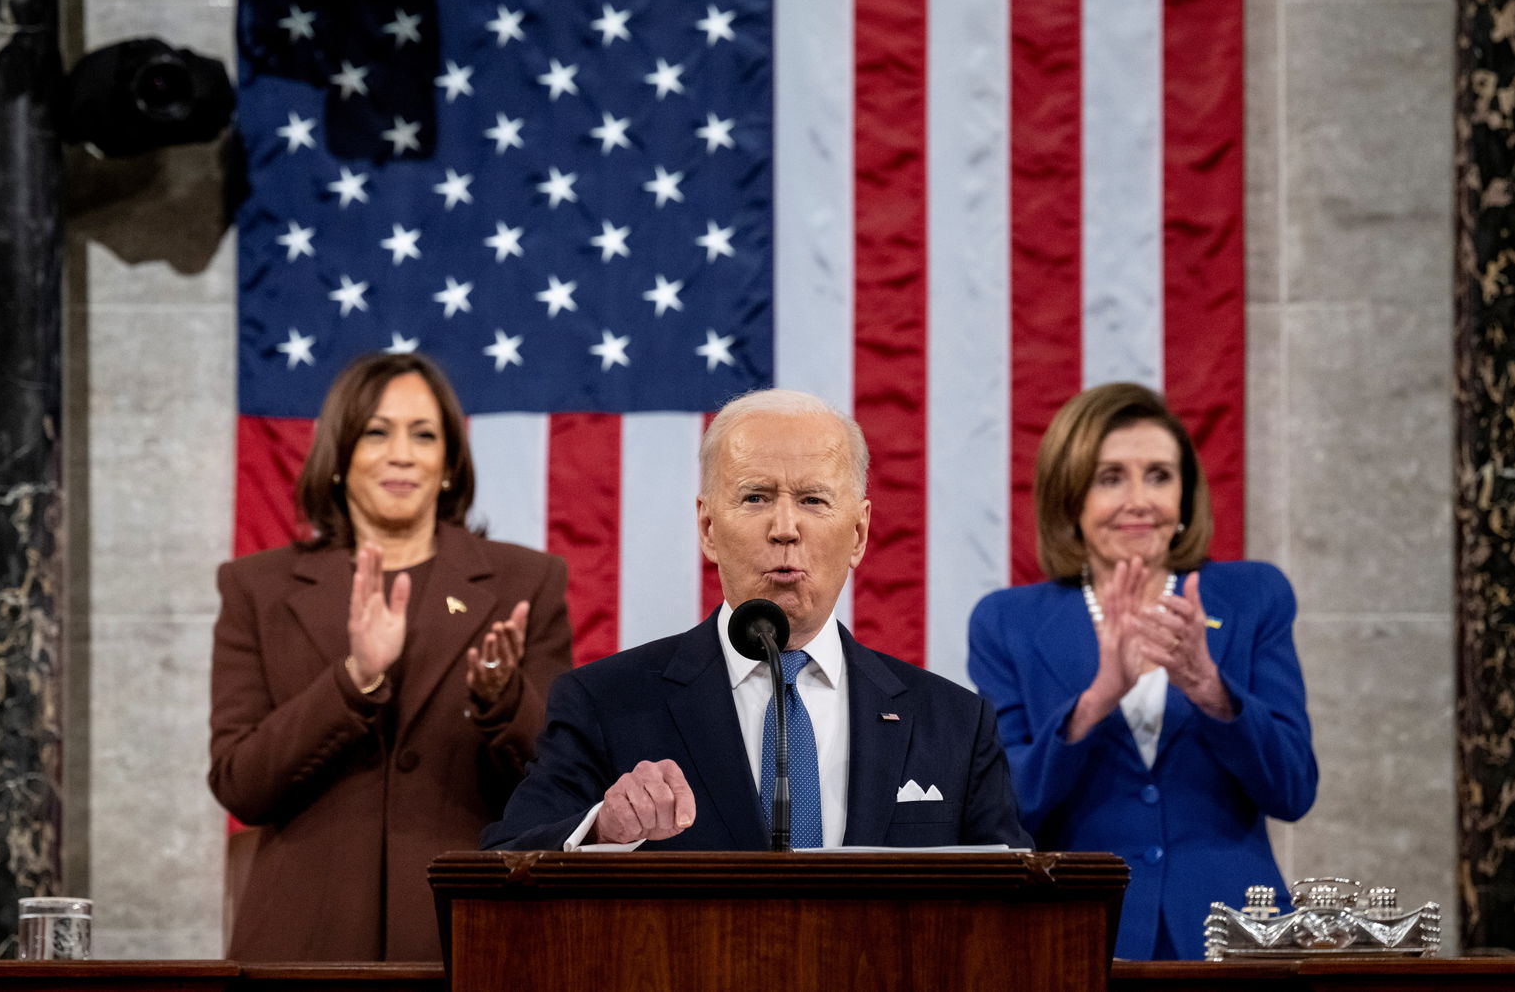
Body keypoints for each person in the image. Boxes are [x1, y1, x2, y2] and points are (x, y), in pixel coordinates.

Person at [481, 388, 1031, 852]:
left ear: (859, 534)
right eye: (755, 497)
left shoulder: (955, 724)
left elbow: (1018, 909)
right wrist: (602, 829)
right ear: (708, 527)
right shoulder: (606, 703)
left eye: (814, 500)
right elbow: (505, 864)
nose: (785, 527)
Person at [208, 352, 572, 960]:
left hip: (468, 939)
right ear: (340, 455)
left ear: (449, 464)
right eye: (377, 432)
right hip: (303, 945)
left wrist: (501, 699)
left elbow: (560, 786)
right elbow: (241, 784)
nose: (402, 453)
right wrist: (355, 680)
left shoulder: (525, 583)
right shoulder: (257, 588)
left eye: (423, 435)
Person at [967, 382, 1316, 960]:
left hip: (1233, 940)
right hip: (1076, 938)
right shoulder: (1008, 623)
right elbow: (1005, 814)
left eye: (1159, 475)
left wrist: (1211, 691)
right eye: (1111, 478)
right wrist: (1098, 700)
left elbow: (1294, 789)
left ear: (1185, 495)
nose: (1139, 500)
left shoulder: (1253, 597)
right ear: (1070, 498)